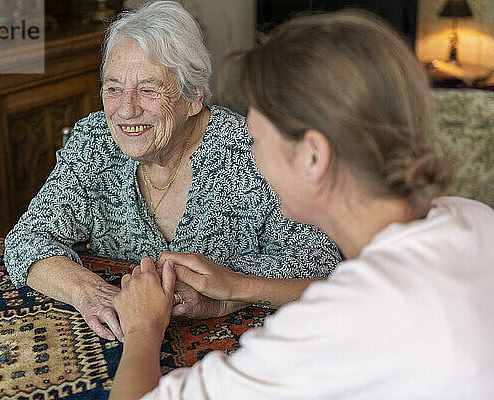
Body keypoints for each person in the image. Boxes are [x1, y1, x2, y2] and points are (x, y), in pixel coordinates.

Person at [110, 10, 494, 400]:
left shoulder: (340, 322)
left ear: (312, 157)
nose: (251, 156)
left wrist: (142, 328)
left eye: (256, 139)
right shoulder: (474, 219)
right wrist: (239, 286)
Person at [4, 1, 340, 342]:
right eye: (113, 88)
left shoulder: (249, 152)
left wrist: (228, 295)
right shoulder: (95, 142)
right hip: (119, 345)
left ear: (194, 95)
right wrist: (90, 293)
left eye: (148, 90)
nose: (126, 109)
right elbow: (25, 240)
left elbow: (322, 265)